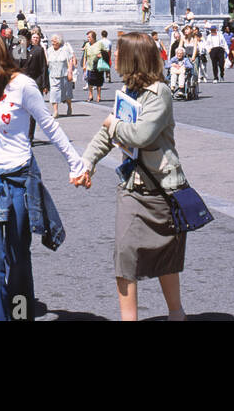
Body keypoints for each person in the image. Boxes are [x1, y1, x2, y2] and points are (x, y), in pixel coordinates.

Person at [0, 28, 85, 321]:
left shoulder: (23, 86)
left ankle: (21, 316)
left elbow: (50, 126)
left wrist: (75, 164)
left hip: (18, 181)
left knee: (17, 260)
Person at [77, 31, 189, 321]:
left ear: (133, 58)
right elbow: (105, 133)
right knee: (125, 255)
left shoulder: (159, 93)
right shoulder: (128, 92)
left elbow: (141, 134)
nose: (113, 58)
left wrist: (114, 125)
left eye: (118, 54)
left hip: (162, 188)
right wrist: (86, 163)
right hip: (132, 186)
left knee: (166, 257)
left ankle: (176, 313)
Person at [46, 33, 76, 116]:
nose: (53, 43)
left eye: (54, 41)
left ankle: (69, 106)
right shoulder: (49, 50)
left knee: (67, 94)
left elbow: (70, 60)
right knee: (54, 93)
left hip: (64, 75)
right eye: (52, 41)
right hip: (53, 75)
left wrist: (70, 72)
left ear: (59, 42)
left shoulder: (65, 49)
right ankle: (55, 111)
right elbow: (47, 62)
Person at [83, 31, 106, 103]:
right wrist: (84, 64)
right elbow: (85, 56)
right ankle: (90, 96)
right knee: (90, 81)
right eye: (87, 37)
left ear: (93, 37)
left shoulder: (100, 44)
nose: (88, 38)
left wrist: (101, 55)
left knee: (98, 82)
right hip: (90, 66)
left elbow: (105, 53)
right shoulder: (87, 45)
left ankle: (99, 96)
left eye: (89, 37)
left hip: (98, 66)